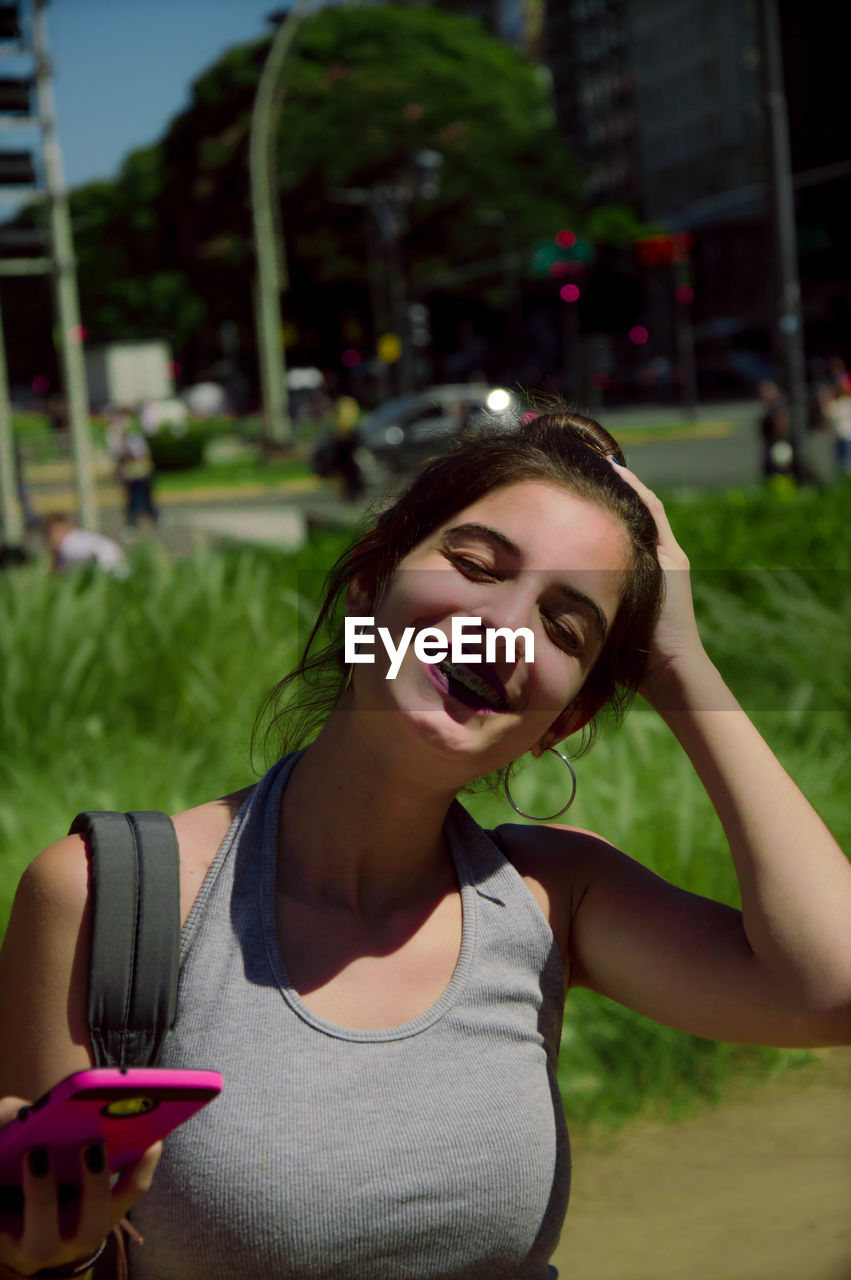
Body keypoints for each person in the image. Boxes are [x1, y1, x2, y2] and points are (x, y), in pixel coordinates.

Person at [1, 411, 849, 1278]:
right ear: (369, 582)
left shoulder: (553, 897)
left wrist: (677, 661)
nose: (503, 628)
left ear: (568, 717)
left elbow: (831, 987)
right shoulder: (113, 899)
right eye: (476, 566)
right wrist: (38, 1261)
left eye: (565, 628)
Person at [105, 411, 158, 528]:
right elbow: (118, 456)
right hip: (130, 474)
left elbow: (141, 453)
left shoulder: (134, 437)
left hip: (142, 472)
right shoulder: (115, 438)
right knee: (131, 498)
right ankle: (132, 521)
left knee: (146, 495)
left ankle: (154, 516)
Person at [42, 513, 127, 578]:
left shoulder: (68, 547)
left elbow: (58, 574)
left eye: (49, 534)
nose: (49, 539)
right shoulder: (80, 536)